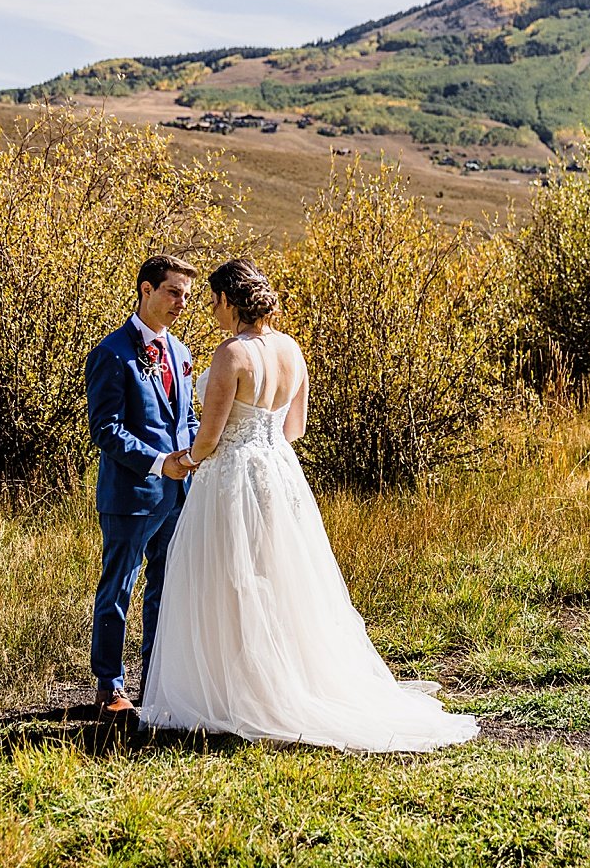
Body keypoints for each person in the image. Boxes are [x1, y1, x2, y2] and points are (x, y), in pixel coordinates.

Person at [141, 258, 478, 752]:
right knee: (277, 579)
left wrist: (183, 460)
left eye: (213, 300)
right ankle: (280, 677)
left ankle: (239, 692)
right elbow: (293, 428)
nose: (210, 310)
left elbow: (209, 439)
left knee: (228, 581)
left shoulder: (232, 354)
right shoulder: (291, 350)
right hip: (278, 474)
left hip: (232, 479)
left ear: (230, 301)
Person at [84, 254, 200, 721]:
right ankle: (109, 686)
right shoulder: (111, 353)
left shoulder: (181, 352)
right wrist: (158, 463)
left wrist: (194, 456)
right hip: (131, 495)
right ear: (146, 289)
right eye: (173, 292)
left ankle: (154, 678)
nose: (181, 304)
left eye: (187, 296)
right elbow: (105, 429)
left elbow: (186, 417)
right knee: (118, 588)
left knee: (165, 589)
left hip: (177, 495)